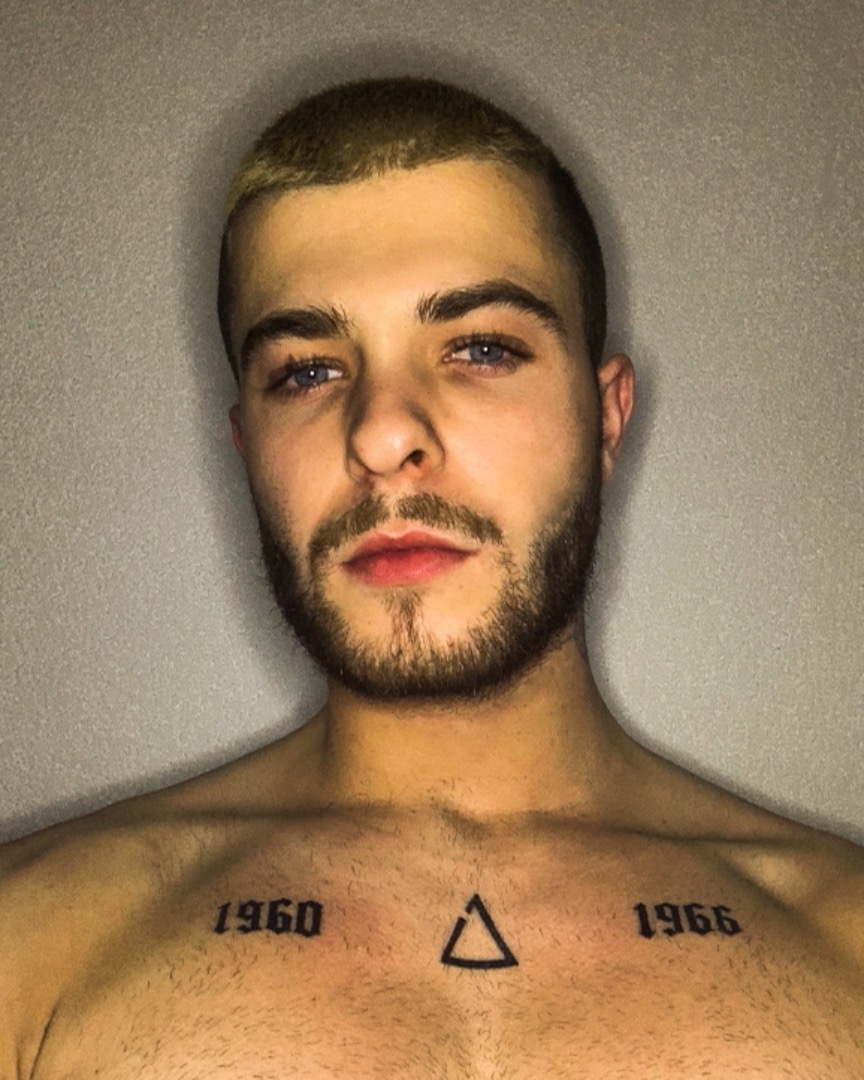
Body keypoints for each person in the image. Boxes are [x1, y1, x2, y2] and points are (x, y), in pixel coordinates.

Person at [2, 76, 862, 1079]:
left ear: (607, 418)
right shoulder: (32, 948)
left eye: (481, 348)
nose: (381, 434)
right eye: (306, 371)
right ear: (246, 446)